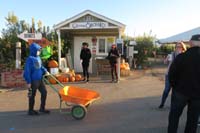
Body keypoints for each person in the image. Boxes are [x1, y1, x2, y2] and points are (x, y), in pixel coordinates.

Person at [167, 34, 200, 133]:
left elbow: (171, 74)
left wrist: (175, 87)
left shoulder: (181, 57)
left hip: (180, 92)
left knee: (174, 116)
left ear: (190, 43)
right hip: (197, 95)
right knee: (193, 120)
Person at [23, 43, 50, 115]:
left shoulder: (38, 58)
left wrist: (45, 71)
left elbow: (41, 67)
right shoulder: (30, 59)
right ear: (34, 50)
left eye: (39, 50)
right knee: (32, 95)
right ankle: (30, 110)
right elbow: (27, 71)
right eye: (38, 50)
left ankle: (42, 108)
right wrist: (28, 82)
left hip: (40, 79)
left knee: (44, 92)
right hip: (33, 81)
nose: (39, 51)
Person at [158, 42, 186, 109]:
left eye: (179, 47)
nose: (177, 48)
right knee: (167, 90)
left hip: (179, 76)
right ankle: (162, 103)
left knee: (175, 92)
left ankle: (173, 105)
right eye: (176, 47)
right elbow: (165, 62)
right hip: (169, 75)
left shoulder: (185, 55)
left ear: (183, 48)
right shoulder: (171, 54)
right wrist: (166, 59)